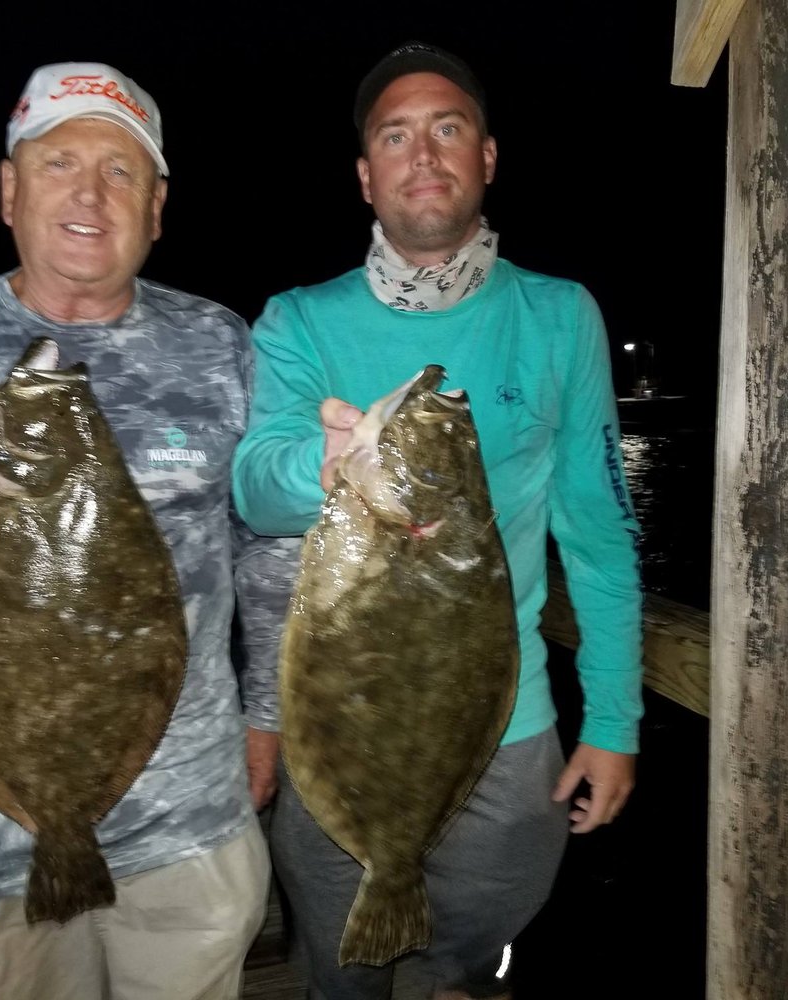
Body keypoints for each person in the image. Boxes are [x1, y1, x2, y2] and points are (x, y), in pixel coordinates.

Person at [0, 61, 291, 1000]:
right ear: (9, 189)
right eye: (59, 163)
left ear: (157, 209)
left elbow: (266, 554)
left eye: (121, 171)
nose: (90, 192)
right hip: (0, 840)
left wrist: (267, 722)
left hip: (192, 823)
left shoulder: (219, 342)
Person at [230, 41, 644, 1000]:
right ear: (366, 176)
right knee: (341, 969)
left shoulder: (559, 315)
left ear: (487, 158)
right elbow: (253, 487)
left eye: (448, 128)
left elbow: (597, 529)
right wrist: (326, 468)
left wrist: (614, 719)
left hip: (512, 731)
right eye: (396, 135)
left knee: (464, 963)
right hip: (341, 721)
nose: (424, 153)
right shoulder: (295, 320)